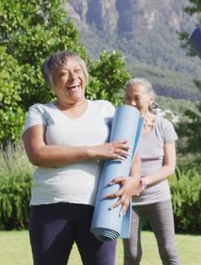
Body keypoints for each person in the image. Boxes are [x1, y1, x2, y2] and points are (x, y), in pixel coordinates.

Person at [22, 51, 141, 265]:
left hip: (101, 207)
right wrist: (93, 151)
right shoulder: (40, 111)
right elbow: (37, 153)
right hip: (50, 206)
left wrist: (135, 179)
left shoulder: (104, 109)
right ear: (52, 83)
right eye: (63, 74)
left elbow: (130, 151)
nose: (73, 77)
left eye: (77, 71)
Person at [122, 77, 181, 265]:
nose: (131, 103)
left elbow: (170, 167)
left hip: (158, 198)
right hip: (129, 201)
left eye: (136, 98)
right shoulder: (121, 127)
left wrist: (143, 181)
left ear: (150, 100)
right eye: (127, 98)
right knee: (131, 255)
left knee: (169, 252)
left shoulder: (163, 126)